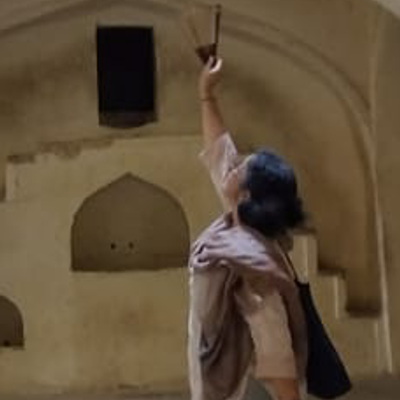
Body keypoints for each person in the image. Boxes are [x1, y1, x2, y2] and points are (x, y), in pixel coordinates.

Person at [187, 57, 308, 400]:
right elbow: (218, 150)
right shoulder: (239, 226)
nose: (232, 166)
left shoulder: (254, 268)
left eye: (240, 169)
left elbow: (278, 355)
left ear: (247, 194)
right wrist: (206, 94)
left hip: (237, 389)